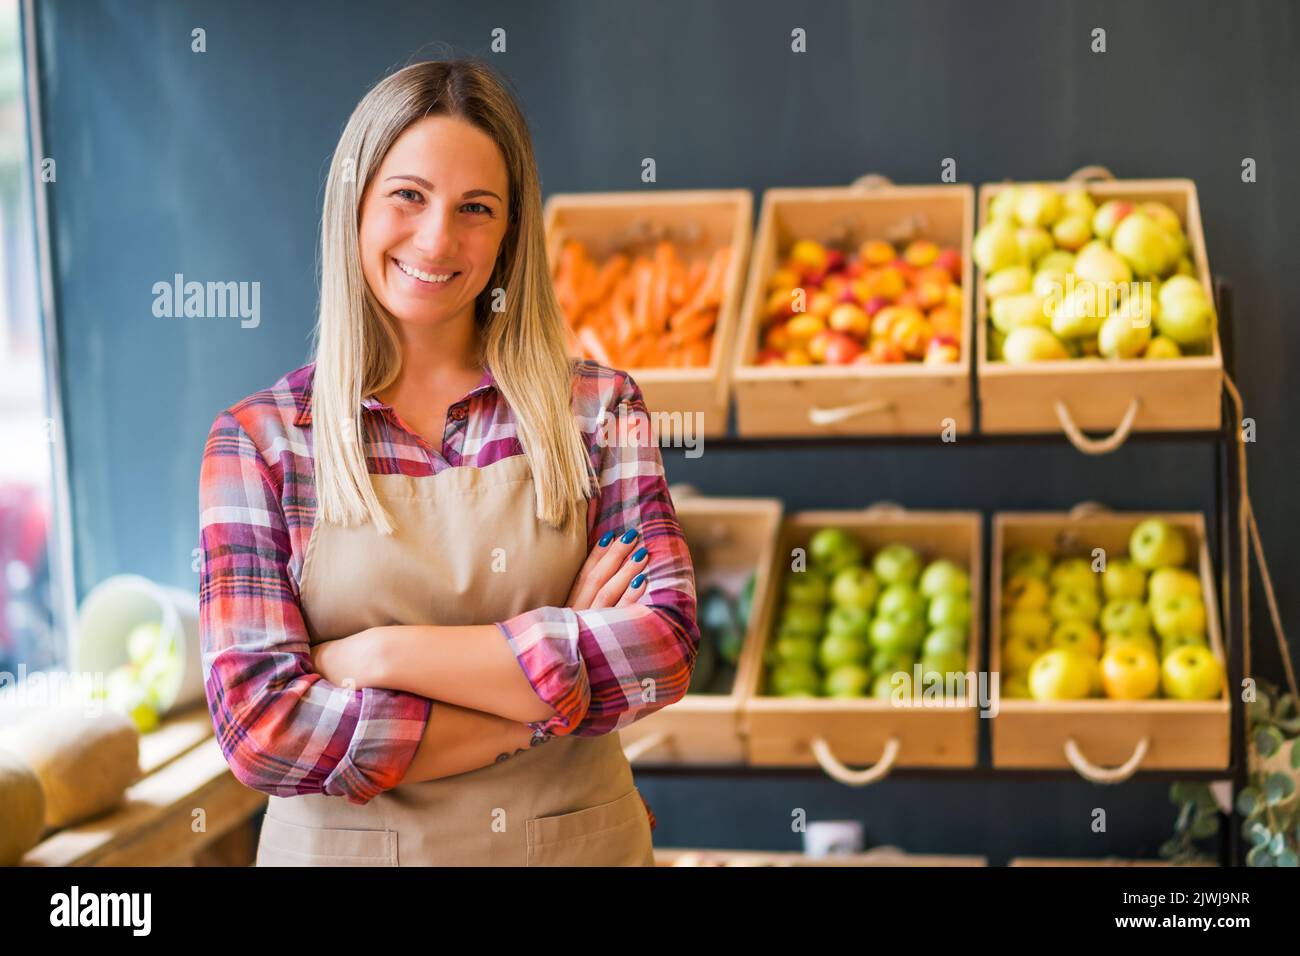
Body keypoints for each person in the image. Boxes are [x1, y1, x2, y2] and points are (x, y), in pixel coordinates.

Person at [197, 58, 700, 866]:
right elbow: (265, 735)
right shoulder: (260, 442)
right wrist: (548, 686)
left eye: (476, 208)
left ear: (509, 233)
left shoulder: (598, 412)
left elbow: (661, 655)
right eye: (408, 195)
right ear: (353, 203)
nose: (438, 238)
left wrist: (381, 656)